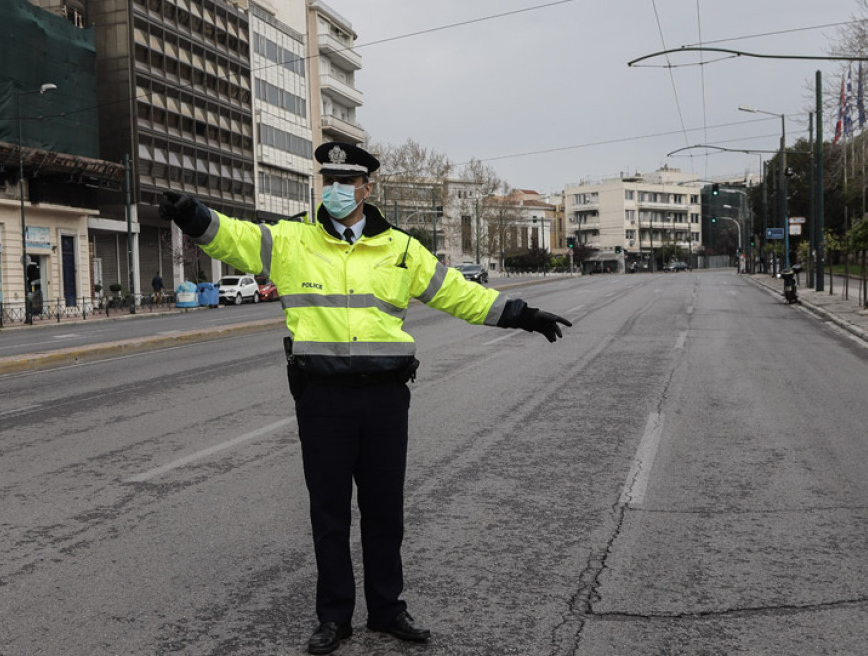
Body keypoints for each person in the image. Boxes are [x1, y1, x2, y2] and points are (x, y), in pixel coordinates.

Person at [159, 142, 570, 655]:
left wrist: (522, 314)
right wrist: (192, 216)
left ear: (367, 188)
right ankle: (334, 618)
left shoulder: (400, 247)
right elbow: (234, 239)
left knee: (384, 511)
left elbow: (458, 292)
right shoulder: (291, 240)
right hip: (323, 398)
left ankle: (387, 609)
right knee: (328, 513)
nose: (335, 189)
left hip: (384, 398)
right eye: (328, 179)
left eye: (346, 180)